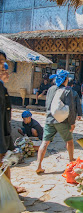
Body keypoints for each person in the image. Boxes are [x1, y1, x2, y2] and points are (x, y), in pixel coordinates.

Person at [36, 70, 77, 174]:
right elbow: (70, 108)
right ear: (65, 80)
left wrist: (49, 116)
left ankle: (38, 166)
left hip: (50, 119)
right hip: (62, 121)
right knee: (69, 141)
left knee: (44, 143)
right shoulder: (68, 90)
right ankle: (71, 160)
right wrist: (72, 122)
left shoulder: (50, 89)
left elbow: (48, 104)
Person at [0, 51, 26, 193]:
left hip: (4, 134)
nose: (3, 67)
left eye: (4, 63)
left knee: (5, 162)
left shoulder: (1, 88)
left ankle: (9, 188)